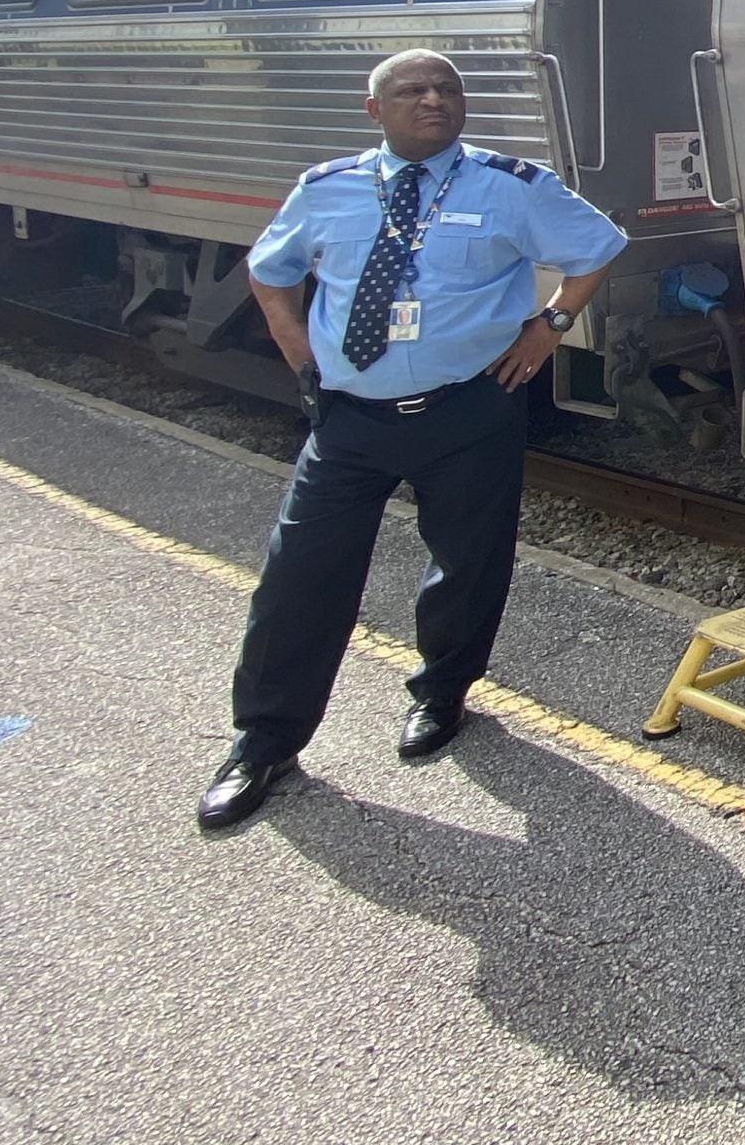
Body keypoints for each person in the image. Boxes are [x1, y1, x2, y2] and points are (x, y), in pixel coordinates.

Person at [196, 49, 627, 831]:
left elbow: (598, 249)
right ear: (376, 110)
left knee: (468, 564)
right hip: (352, 420)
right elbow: (271, 271)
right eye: (411, 91)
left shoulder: (511, 186)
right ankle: (264, 742)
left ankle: (442, 696)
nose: (432, 100)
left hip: (468, 412)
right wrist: (302, 359)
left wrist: (550, 326)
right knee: (299, 576)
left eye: (446, 89)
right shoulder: (325, 189)